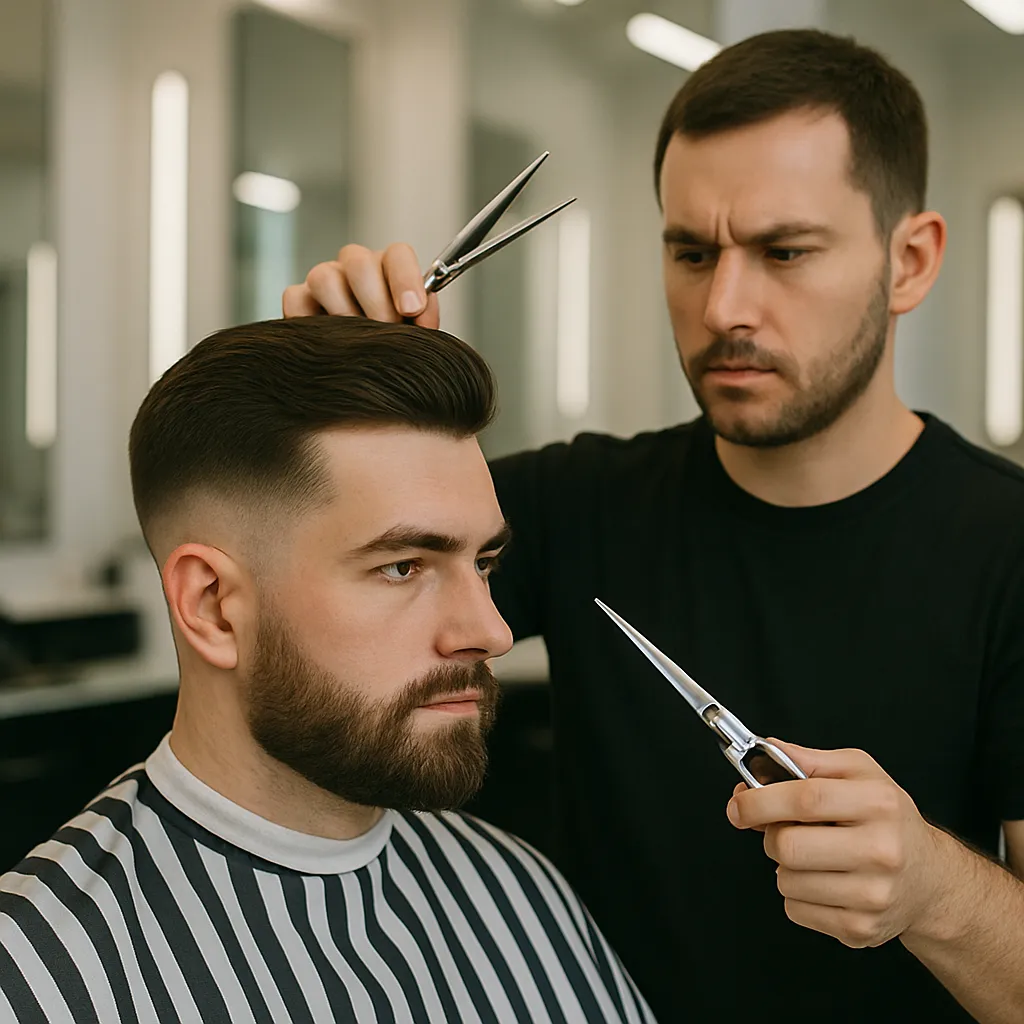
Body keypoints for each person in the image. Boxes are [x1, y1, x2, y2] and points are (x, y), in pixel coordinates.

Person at [283, 28, 1024, 1024]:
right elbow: (311, 619)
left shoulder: (1009, 550)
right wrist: (327, 404)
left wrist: (935, 886)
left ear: (910, 259)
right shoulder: (568, 504)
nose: (723, 306)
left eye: (783, 251)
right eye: (691, 251)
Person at [0, 317, 655, 1024]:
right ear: (213, 606)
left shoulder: (522, 897)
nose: (491, 632)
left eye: (484, 564)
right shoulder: (34, 976)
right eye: (402, 566)